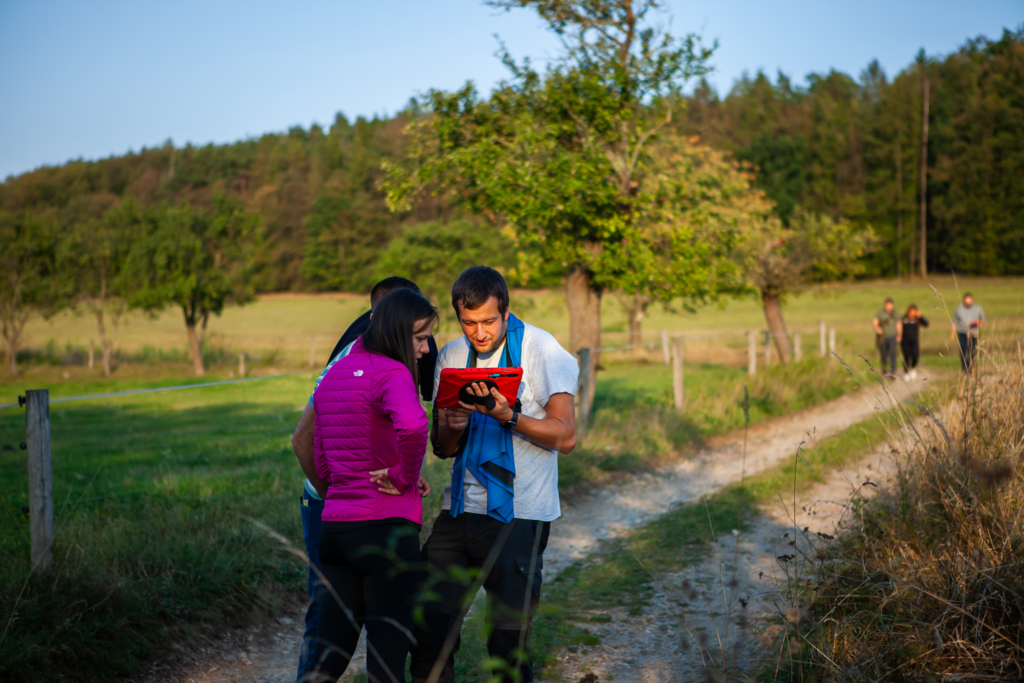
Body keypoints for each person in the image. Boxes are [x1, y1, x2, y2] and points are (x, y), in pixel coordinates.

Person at [410, 266, 579, 683]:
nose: (479, 333)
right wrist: (452, 428)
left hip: (522, 512)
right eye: (469, 323)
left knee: (506, 642)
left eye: (488, 321)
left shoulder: (542, 349)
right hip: (461, 508)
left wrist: (509, 415)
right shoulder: (449, 356)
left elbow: (567, 436)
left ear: (506, 312)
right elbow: (442, 447)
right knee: (429, 622)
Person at [291, 277, 438, 682]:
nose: (426, 349)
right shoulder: (392, 373)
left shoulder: (335, 373)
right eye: (422, 339)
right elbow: (413, 426)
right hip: (385, 532)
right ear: (397, 332)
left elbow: (318, 449)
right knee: (387, 658)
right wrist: (404, 476)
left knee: (330, 651)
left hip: (335, 532)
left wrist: (344, 490)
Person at [951, 292, 986, 374]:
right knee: (963, 350)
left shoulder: (978, 308)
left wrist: (976, 323)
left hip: (974, 333)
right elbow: (954, 322)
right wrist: (952, 334)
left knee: (972, 351)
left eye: (969, 302)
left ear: (972, 300)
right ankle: (965, 369)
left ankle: (972, 368)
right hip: (962, 332)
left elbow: (983, 320)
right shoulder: (959, 309)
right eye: (966, 302)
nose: (967, 303)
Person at [872, 297, 902, 379]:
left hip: (893, 337)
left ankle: (893, 371)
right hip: (883, 337)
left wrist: (899, 334)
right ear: (885, 305)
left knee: (892, 352)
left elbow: (898, 324)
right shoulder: (880, 313)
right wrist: (877, 328)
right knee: (884, 354)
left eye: (890, 305)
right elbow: (875, 321)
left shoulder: (895, 313)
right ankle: (884, 371)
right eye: (887, 305)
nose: (889, 307)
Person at [900, 303, 929, 381]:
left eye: (914, 311)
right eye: (911, 311)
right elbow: (898, 326)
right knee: (906, 356)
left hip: (914, 341)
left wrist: (920, 316)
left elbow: (926, 324)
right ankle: (906, 373)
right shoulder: (904, 318)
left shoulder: (917, 320)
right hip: (904, 341)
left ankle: (912, 369)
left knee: (915, 356)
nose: (912, 313)